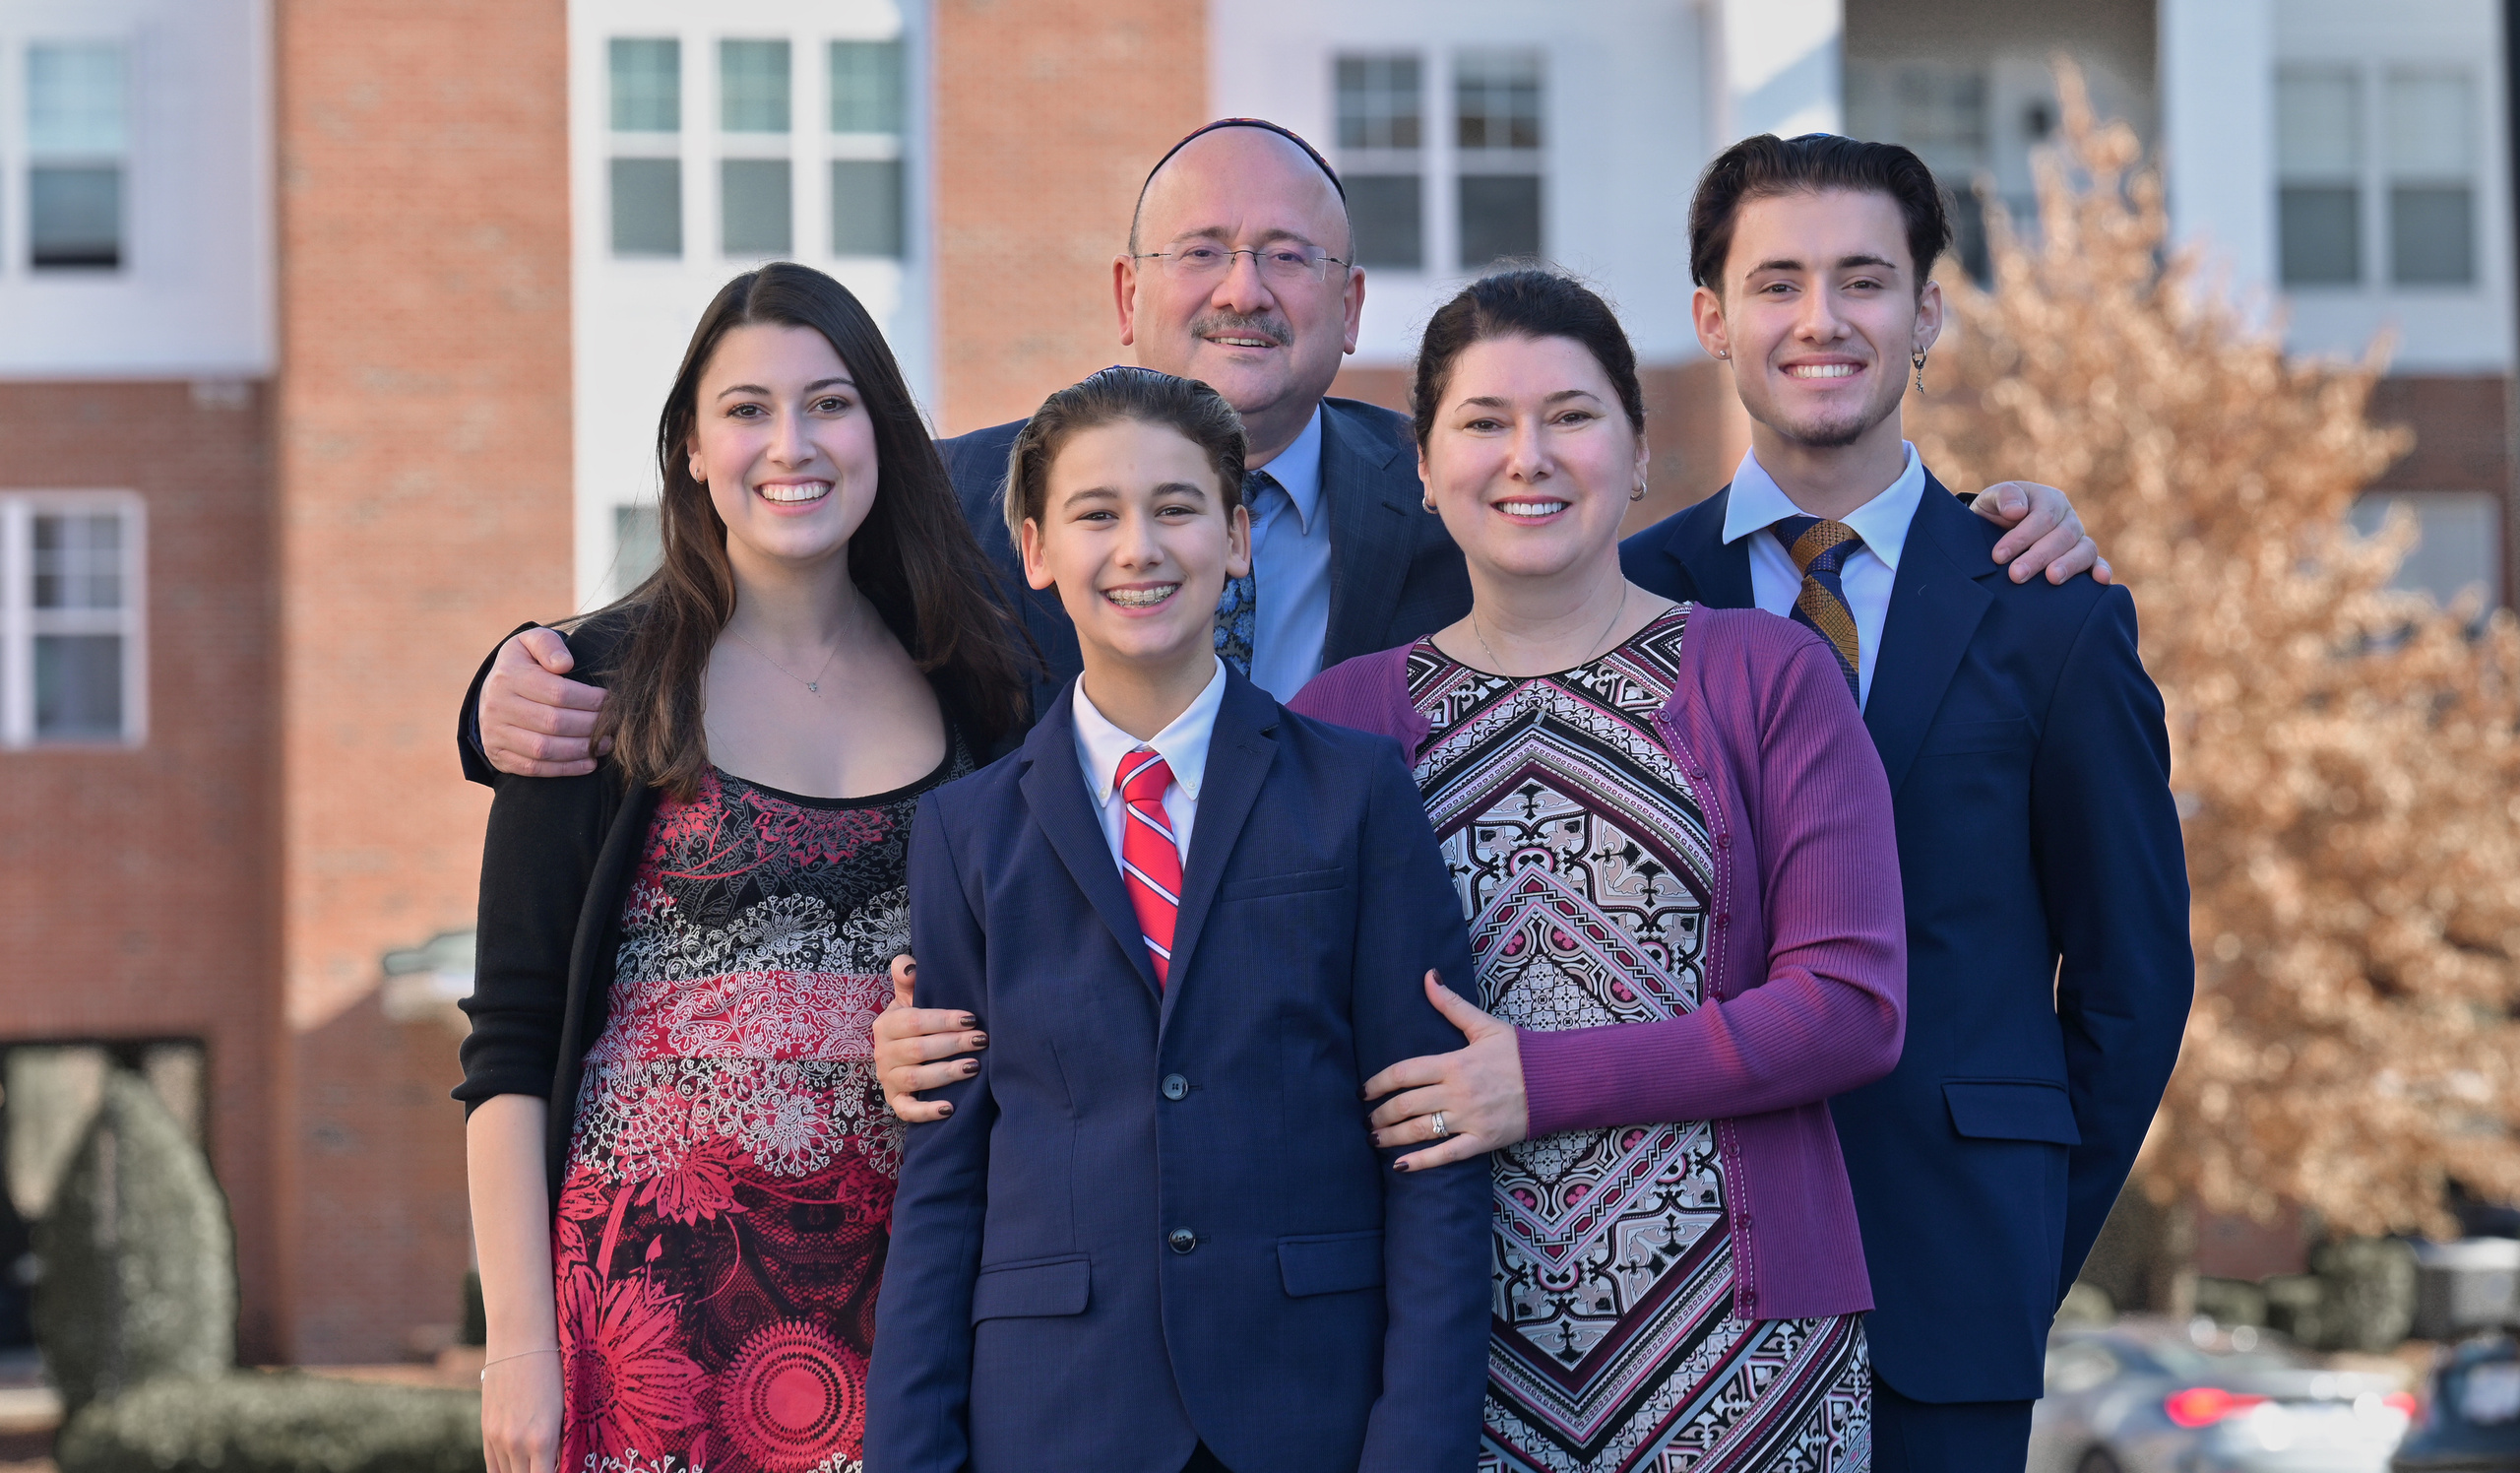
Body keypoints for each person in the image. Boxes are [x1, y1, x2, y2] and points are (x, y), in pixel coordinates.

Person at [461, 118, 2108, 782]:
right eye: (1200, 253)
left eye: (1287, 259)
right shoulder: (967, 496)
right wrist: (509, 685)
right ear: (1127, 294)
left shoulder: (1467, 488)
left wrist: (1990, 522)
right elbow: (743, 574)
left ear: (1348, 306)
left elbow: (1695, 569)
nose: (1241, 290)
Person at [1618, 135, 2192, 1471]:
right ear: (1713, 318)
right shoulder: (1622, 597)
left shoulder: (2051, 617)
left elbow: (2131, 983)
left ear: (1927, 309)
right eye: (1778, 282)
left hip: (1947, 1295)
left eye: (1865, 279)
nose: (1822, 319)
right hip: (1659, 1294)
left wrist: (2016, 1239)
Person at [1286, 270, 1908, 1469]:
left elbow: (1851, 1010)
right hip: (1445, 1365)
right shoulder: (1340, 716)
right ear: (1423, 469)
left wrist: (1542, 1081)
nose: (1528, 456)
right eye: (1482, 422)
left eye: (1570, 416)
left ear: (1636, 455)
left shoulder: (1766, 677)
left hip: (1747, 1361)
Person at [454, 264, 1032, 1473]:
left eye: (829, 403)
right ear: (691, 450)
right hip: (643, 1327)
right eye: (747, 409)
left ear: (880, 429)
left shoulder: (980, 682)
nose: (792, 444)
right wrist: (517, 1349)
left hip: (911, 1302)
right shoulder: (587, 688)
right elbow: (508, 1040)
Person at [863, 365, 1491, 1473]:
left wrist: (1417, 1448)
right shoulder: (967, 834)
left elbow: (1431, 1144)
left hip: (1309, 1406)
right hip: (1056, 1416)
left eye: (1176, 508)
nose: (1138, 549)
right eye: (1095, 514)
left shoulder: (1355, 793)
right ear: (1036, 551)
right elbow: (944, 1177)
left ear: (1238, 538)